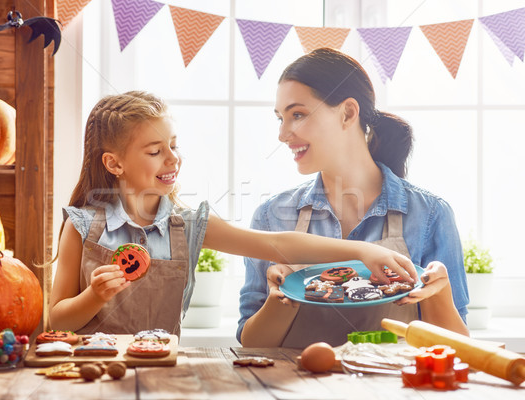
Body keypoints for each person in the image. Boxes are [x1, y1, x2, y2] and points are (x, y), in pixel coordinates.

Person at [48, 91, 416, 338]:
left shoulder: (188, 226)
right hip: (87, 376)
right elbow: (56, 319)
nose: (173, 159)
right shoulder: (82, 225)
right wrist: (93, 297)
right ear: (114, 163)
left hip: (160, 373)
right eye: (155, 151)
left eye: (173, 146)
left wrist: (362, 251)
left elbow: (274, 244)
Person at [237, 48, 469, 348]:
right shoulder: (271, 216)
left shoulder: (430, 215)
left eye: (297, 115)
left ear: (347, 112)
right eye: (280, 118)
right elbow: (251, 344)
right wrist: (282, 299)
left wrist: (440, 292)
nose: (283, 134)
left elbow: (458, 349)